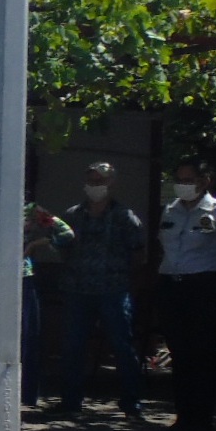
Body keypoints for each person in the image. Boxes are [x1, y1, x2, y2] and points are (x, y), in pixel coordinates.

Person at [156, 161, 216, 431]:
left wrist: (212, 277)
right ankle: (184, 415)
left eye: (189, 179)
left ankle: (202, 417)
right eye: (179, 178)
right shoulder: (169, 210)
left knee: (203, 353)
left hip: (206, 287)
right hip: (173, 286)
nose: (183, 183)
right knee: (179, 352)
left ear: (204, 181)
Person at [52, 162, 145, 417]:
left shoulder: (125, 216)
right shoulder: (72, 215)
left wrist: (132, 288)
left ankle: (131, 402)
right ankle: (70, 402)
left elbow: (138, 253)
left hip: (113, 290)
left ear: (110, 183)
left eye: (100, 181)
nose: (94, 185)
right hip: (77, 290)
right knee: (72, 347)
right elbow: (62, 246)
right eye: (90, 180)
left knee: (122, 346)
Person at [22, 198, 74, 408]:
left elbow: (66, 234)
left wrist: (36, 244)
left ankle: (26, 395)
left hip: (22, 276)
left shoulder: (30, 210)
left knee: (27, 338)